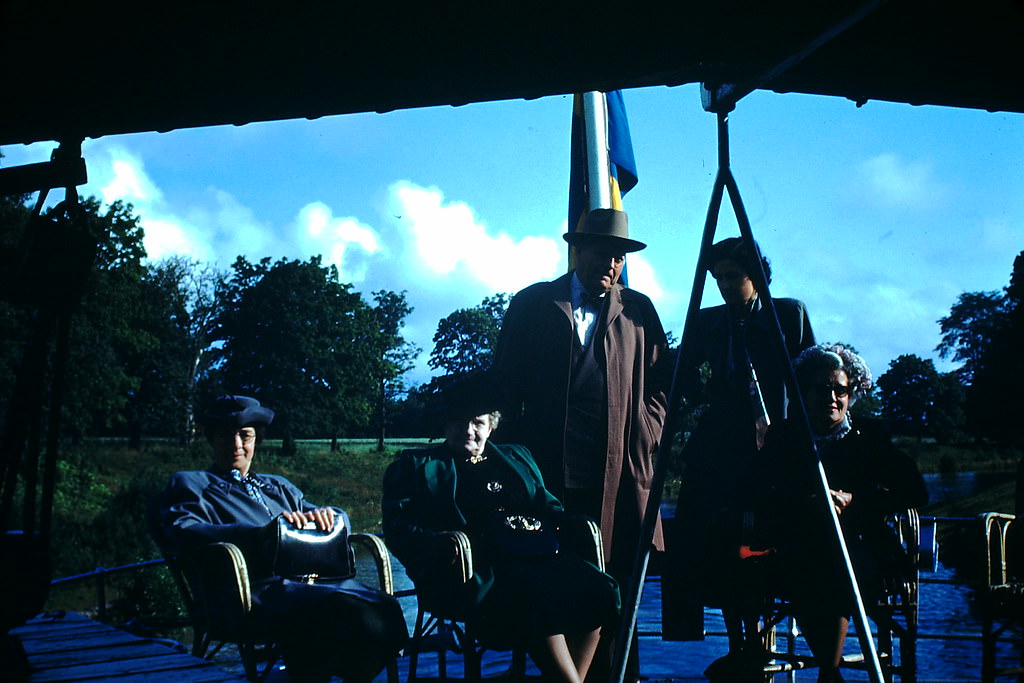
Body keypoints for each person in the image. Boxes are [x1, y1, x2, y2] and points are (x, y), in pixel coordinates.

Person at [381, 378, 620, 683]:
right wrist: (434, 543)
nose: (468, 430)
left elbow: (548, 505)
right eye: (459, 421)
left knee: (599, 589)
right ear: (444, 424)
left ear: (492, 426)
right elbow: (397, 527)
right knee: (536, 596)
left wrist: (564, 523)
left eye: (478, 422)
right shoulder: (416, 466)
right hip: (475, 570)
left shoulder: (516, 456)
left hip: (539, 553)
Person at [156, 395, 408, 683]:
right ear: (211, 439)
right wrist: (256, 533)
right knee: (342, 612)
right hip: (251, 591)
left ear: (256, 440)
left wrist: (329, 514)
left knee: (383, 607)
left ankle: (341, 674)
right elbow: (182, 530)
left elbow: (337, 519)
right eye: (226, 435)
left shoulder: (277, 486)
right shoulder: (192, 483)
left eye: (245, 435)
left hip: (312, 584)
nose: (237, 445)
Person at [490, 207, 670, 582]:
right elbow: (503, 385)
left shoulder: (638, 310)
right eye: (603, 253)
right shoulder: (533, 304)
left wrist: (644, 432)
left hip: (617, 470)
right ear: (579, 251)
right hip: (545, 470)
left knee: (613, 575)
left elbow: (662, 384)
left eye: (619, 256)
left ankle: (611, 644)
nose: (613, 264)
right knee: (547, 577)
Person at [662, 237, 815, 675]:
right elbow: (678, 376)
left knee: (761, 544)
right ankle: (738, 643)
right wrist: (704, 391)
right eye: (719, 278)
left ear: (756, 275)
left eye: (735, 276)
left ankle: (761, 642)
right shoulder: (709, 322)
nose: (726, 285)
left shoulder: (786, 314)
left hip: (774, 447)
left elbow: (809, 376)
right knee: (718, 541)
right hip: (720, 447)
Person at [751, 344, 929, 682]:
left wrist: (854, 500)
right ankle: (822, 670)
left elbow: (915, 491)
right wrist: (806, 500)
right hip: (798, 546)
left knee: (837, 568)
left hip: (863, 546)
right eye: (822, 389)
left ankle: (828, 672)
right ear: (803, 392)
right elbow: (755, 491)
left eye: (841, 390)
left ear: (851, 393)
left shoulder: (870, 437)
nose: (832, 397)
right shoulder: (786, 437)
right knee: (774, 562)